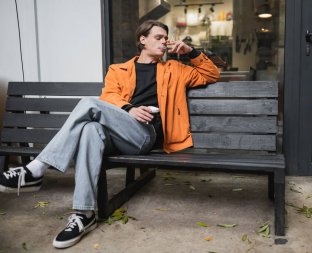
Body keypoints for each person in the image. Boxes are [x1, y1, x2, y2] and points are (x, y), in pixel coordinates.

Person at [0, 20, 219, 248]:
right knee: (90, 130)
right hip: (117, 135)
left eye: (166, 38)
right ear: (142, 40)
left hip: (145, 135)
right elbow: (110, 97)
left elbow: (211, 74)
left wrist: (191, 52)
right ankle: (84, 214)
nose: (164, 41)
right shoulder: (118, 70)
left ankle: (36, 169)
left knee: (88, 103)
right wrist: (129, 109)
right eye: (158, 37)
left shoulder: (176, 70)